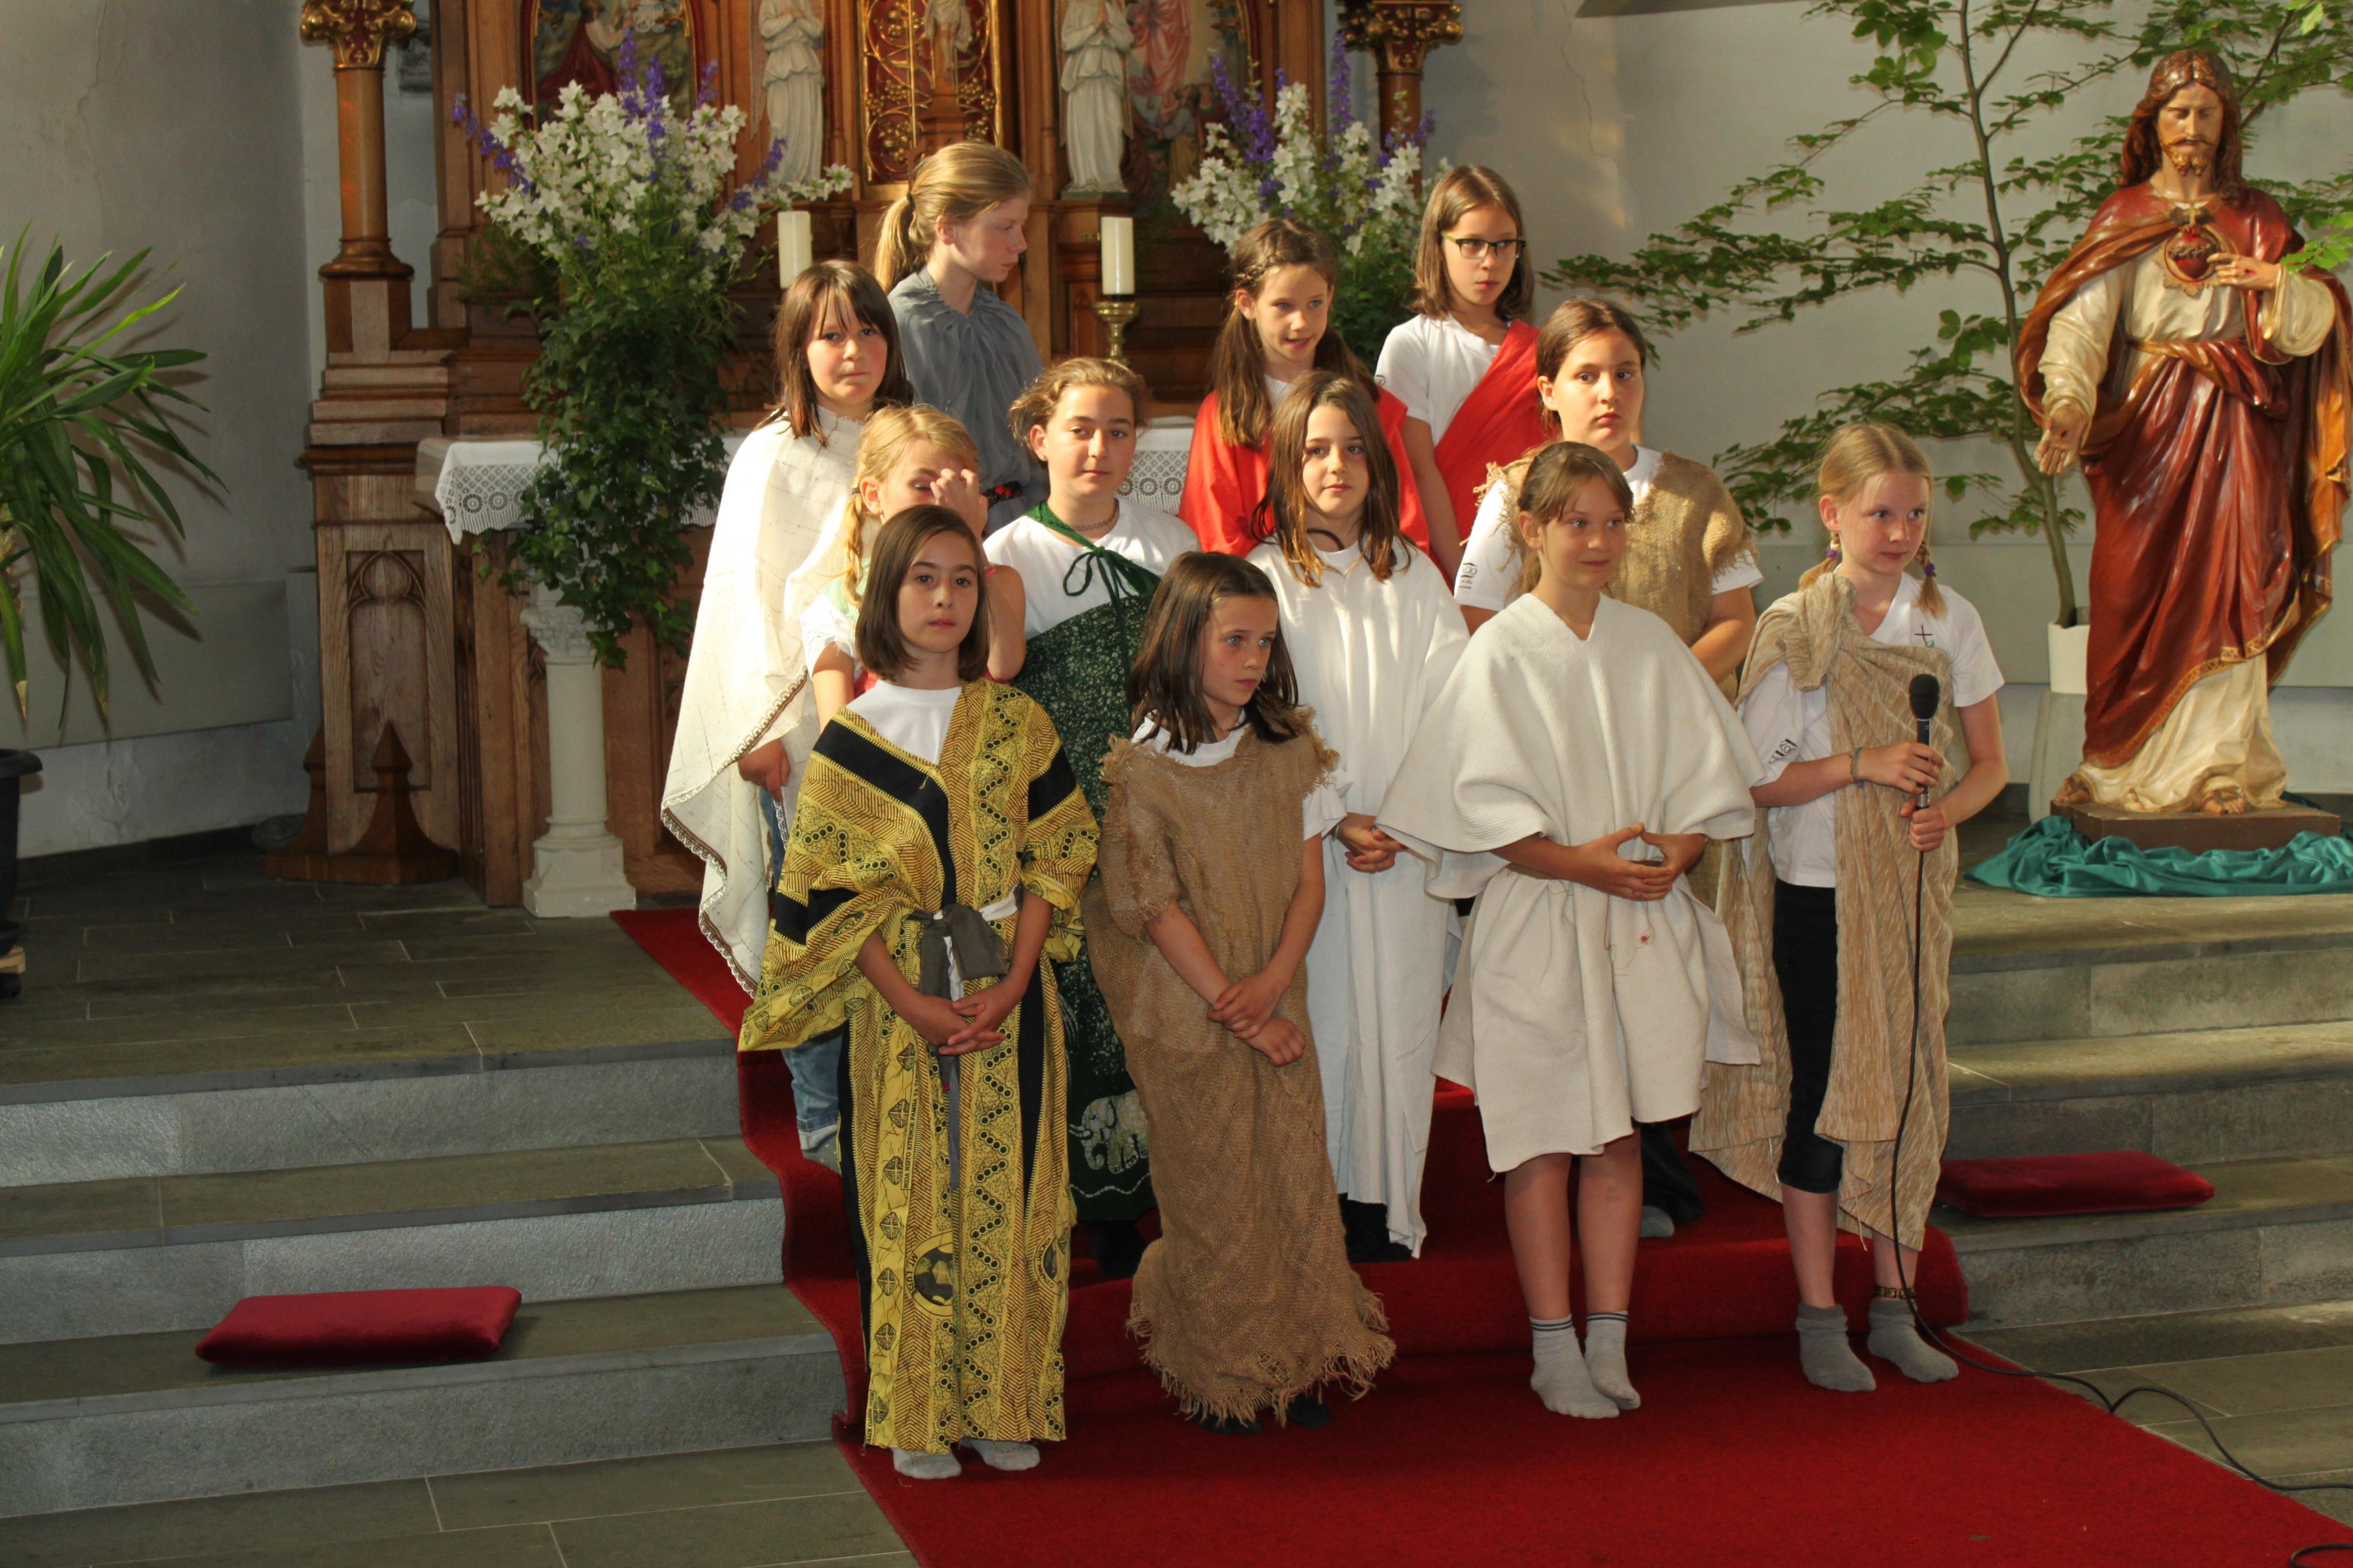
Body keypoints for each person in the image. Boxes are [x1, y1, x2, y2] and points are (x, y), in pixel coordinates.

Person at [1377, 442, 1764, 1419]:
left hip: (1636, 917)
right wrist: (1576, 861)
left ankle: (1609, 1338)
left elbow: (1709, 775)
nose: (1596, 540)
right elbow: (1470, 806)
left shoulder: (1650, 643)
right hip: (1541, 915)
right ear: (1532, 530)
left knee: (1620, 1138)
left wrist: (1679, 846)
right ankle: (1553, 1346)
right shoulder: (1499, 649)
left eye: (1611, 522)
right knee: (1542, 1141)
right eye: (1575, 522)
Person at [739, 505, 1099, 1478]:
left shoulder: (1019, 722)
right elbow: (830, 894)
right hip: (897, 998)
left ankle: (1002, 1400)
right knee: (912, 1193)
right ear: (885, 594)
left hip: (1010, 986)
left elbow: (1060, 851)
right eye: (923, 579)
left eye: (963, 580)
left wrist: (1015, 980)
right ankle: (915, 1413)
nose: (945, 599)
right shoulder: (851, 739)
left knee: (1012, 1190)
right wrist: (911, 1001)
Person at [1691, 422, 2009, 1393]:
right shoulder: (1796, 626)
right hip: (1817, 896)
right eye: (1880, 513)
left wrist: (1947, 812)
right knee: (1828, 1098)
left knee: (1907, 1092)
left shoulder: (1948, 621)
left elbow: (1989, 765)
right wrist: (1861, 764)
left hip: (1907, 897)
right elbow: (1756, 781)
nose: (1900, 532)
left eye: (1914, 514)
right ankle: (1819, 1315)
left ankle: (1895, 1305)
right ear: (1831, 514)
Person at [1452, 297, 1764, 1237]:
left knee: (1652, 963)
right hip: (1555, 768)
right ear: (1548, 390)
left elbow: (1736, 620)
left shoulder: (1694, 491)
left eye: (1624, 371)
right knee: (1566, 980)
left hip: (1664, 758)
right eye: (1587, 374)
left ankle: (1655, 1170)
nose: (1609, 391)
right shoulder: (1514, 491)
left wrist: (1655, 693)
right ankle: (1557, 1158)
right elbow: (1479, 622)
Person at [1088, 552, 1395, 1434]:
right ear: (1183, 639)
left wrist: (1269, 987)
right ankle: (1222, 1373)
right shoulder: (1143, 766)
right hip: (1188, 1010)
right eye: (1234, 640)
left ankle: (1295, 1362)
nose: (1254, 659)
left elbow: (1311, 885)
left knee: (1293, 1176)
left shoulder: (1288, 751)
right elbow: (1153, 906)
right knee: (1214, 1191)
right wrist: (1238, 1005)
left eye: (1265, 642)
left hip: (1274, 993)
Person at [2020, 48, 2350, 816]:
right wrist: (2068, 401)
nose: (2192, 126)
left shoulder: (2258, 219)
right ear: (2154, 123)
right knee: (2128, 590)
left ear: (2226, 124)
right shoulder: (2124, 217)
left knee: (2234, 585)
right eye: (2179, 111)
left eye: (2207, 111)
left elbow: (2319, 324)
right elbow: (2083, 324)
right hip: (2146, 433)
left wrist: (2279, 282)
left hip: (2238, 431)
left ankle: (2219, 768)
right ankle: (2114, 766)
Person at [662, 260, 914, 1171]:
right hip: (800, 722)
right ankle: (822, 1117)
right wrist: (762, 732)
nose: (853, 351)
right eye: (831, 335)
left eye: (869, 330)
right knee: (819, 920)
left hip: (902, 716)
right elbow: (745, 599)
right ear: (798, 350)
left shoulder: (902, 440)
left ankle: (892, 1096)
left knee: (898, 911)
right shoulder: (775, 455)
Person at [1244, 372, 1467, 1262]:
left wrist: (1406, 818)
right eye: (1314, 450)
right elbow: (1260, 714)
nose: (1334, 466)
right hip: (1309, 847)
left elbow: (1456, 707)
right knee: (1324, 1014)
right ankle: (1320, 1203)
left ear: (1377, 463)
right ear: (1285, 466)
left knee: (1400, 1020)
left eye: (1351, 449)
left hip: (1402, 846)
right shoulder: (1263, 578)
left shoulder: (1413, 575)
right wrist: (1334, 814)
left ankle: (1388, 1206)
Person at [989, 356, 1197, 1276]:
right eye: (1080, 429)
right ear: (1040, 440)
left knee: (1159, 995)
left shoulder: (1171, 541)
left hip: (1160, 805)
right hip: (1064, 806)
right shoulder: (1007, 555)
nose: (1100, 448)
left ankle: (1169, 1188)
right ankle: (1087, 1202)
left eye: (1118, 431)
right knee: (1081, 1001)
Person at [1179, 218, 1428, 557]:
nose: (1301, 323)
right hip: (1260, 585)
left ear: (1330, 297)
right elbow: (1214, 536)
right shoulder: (1225, 414)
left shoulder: (1369, 404)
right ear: (1247, 304)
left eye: (1314, 303)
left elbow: (1404, 523)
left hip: (1364, 578)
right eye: (1284, 306)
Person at [794, 405, 1018, 725]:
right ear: (874, 495)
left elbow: (1004, 664)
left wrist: (970, 539)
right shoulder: (843, 601)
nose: (942, 502)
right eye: (923, 487)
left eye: (955, 488)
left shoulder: (998, 580)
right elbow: (837, 735)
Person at [1378, 166, 1548, 581]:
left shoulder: (1544, 349)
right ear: (1439, 246)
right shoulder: (1411, 344)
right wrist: (1465, 577)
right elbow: (1417, 471)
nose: (1490, 262)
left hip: (1536, 560)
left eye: (1504, 244)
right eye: (1472, 244)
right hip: (1443, 567)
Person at [875, 142, 1048, 532]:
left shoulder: (1005, 322)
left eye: (1021, 226)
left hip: (1020, 527)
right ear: (948, 228)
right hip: (942, 527)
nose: (1021, 243)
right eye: (1005, 227)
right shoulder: (902, 323)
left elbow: (1040, 440)